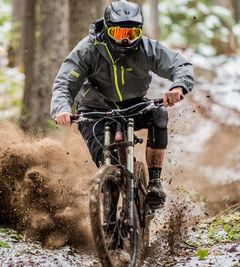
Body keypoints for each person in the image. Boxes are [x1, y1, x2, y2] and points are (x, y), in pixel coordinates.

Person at [50, 0, 195, 210]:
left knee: (159, 114)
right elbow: (64, 82)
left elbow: (180, 65)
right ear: (108, 30)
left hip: (133, 105)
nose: (126, 40)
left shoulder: (147, 48)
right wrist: (62, 109)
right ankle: (109, 207)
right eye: (120, 34)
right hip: (94, 110)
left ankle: (154, 181)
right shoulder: (88, 49)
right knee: (108, 165)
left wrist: (179, 87)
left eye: (132, 34)